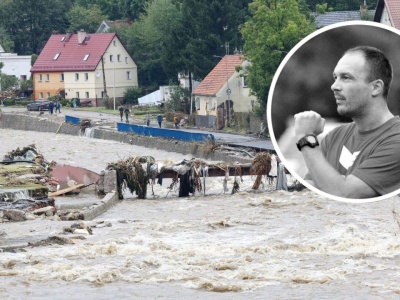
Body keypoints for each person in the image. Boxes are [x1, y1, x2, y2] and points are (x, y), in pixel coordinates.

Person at [294, 46, 400, 199]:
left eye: (346, 77)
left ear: (376, 87)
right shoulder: (334, 136)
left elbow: (343, 194)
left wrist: (306, 138)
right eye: (335, 77)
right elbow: (309, 195)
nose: (334, 86)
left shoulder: (396, 140)